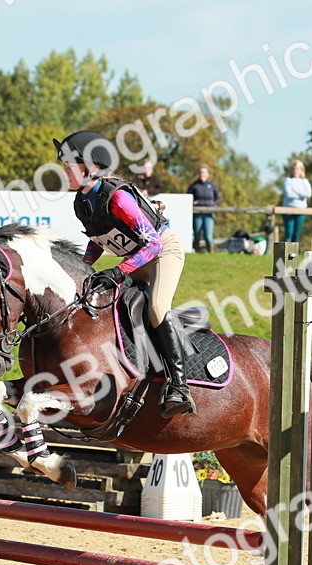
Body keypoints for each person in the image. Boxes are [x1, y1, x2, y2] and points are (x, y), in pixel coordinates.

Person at [53, 130, 195, 417]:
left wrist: (118, 271)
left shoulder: (117, 198)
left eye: (70, 163)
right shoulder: (81, 202)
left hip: (162, 253)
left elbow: (153, 243)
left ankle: (180, 386)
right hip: (135, 259)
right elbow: (98, 239)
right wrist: (84, 270)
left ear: (91, 168)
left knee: (156, 307)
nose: (65, 169)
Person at [187, 165, 220, 252]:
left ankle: (210, 252)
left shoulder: (212, 186)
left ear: (208, 174)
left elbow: (218, 199)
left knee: (208, 236)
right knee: (197, 235)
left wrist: (213, 205)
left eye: (204, 172)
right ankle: (197, 251)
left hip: (208, 214)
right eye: (201, 172)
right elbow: (187, 198)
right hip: (197, 214)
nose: (202, 174)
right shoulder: (194, 186)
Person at [280, 160, 312, 242]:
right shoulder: (287, 180)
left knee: (296, 233)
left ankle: (294, 253)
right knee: (289, 232)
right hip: (288, 210)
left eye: (298, 169)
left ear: (301, 170)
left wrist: (296, 191)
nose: (295, 171)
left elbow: (308, 194)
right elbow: (288, 194)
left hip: (301, 210)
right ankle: (285, 252)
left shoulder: (305, 181)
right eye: (294, 168)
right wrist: (301, 194)